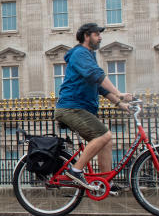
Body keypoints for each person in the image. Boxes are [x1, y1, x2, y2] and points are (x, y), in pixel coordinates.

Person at [54, 23, 133, 190]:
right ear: (86, 36)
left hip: (80, 108)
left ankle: (106, 182)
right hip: (71, 107)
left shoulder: (89, 55)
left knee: (106, 141)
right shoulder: (79, 53)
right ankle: (75, 170)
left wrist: (120, 104)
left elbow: (100, 87)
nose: (100, 37)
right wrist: (119, 92)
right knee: (104, 135)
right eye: (97, 34)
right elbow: (96, 75)